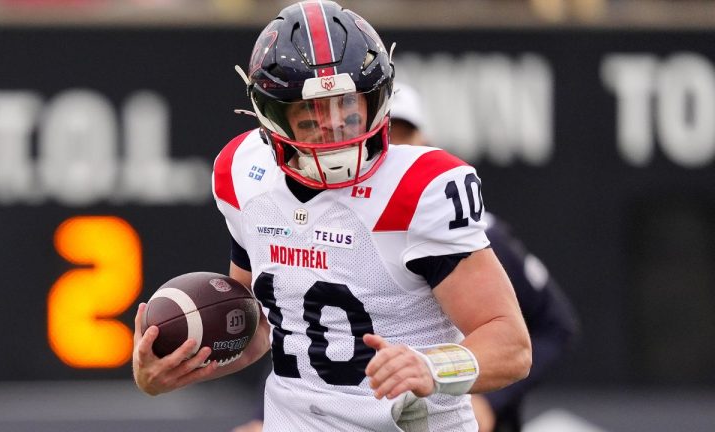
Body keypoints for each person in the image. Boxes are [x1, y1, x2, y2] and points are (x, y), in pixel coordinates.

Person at [133, 2, 531, 431]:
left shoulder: (419, 188)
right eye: (312, 111)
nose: (336, 124)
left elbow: (510, 346)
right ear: (274, 114)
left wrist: (432, 367)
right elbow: (260, 323)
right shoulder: (243, 172)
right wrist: (179, 361)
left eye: (347, 103)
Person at [390, 82, 579, 432]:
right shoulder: (331, 231)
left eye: (404, 137)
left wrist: (486, 399)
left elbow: (548, 329)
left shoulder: (469, 236)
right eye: (386, 140)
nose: (397, 151)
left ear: (425, 144)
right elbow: (305, 325)